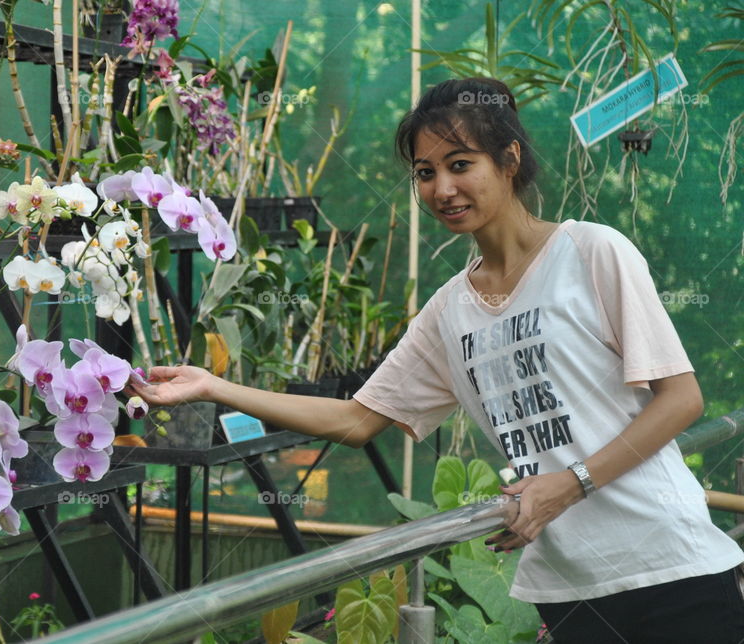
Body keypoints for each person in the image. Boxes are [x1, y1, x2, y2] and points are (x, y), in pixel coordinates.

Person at [127, 77, 744, 643]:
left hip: (672, 570)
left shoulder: (590, 252)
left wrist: (571, 483)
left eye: (460, 165)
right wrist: (215, 386)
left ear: (510, 161)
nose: (441, 189)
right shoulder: (450, 311)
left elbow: (682, 397)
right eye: (425, 172)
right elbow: (356, 420)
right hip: (571, 591)